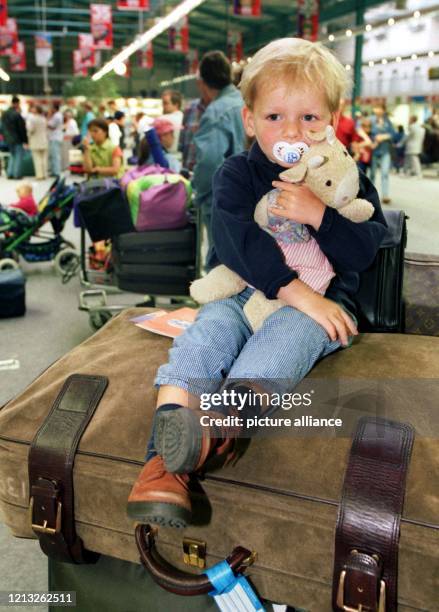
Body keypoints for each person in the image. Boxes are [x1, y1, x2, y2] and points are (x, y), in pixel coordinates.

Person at [126, 37, 387, 527]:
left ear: (332, 119)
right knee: (206, 337)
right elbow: (237, 244)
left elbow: (366, 247)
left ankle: (208, 434)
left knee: (279, 347)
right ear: (249, 120)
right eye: (274, 117)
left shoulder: (345, 177)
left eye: (309, 118)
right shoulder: (237, 174)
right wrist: (296, 291)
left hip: (321, 305)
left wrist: (320, 216)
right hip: (243, 291)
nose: (293, 130)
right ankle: (163, 461)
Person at [191, 50, 246, 258]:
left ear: (203, 82)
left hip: (223, 201)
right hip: (251, 197)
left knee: (222, 265)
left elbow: (209, 162)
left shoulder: (216, 112)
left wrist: (198, 191)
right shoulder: (246, 103)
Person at [370, 104, 396, 204]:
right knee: (372, 174)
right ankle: (370, 195)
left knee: (385, 173)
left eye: (380, 108)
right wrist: (375, 138)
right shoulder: (371, 120)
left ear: (384, 110)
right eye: (376, 108)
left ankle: (385, 195)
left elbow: (393, 134)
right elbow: (366, 131)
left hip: (385, 151)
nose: (377, 110)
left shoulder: (387, 121)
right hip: (374, 151)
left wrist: (384, 136)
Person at [1, 96, 28, 180]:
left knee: (12, 156)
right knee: (18, 156)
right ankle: (17, 174)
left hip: (8, 139)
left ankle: (10, 173)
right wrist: (25, 140)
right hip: (17, 139)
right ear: (17, 103)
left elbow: (1, 127)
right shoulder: (17, 114)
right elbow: (21, 129)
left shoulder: (4, 114)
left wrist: (5, 136)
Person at [26, 105, 48, 181]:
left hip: (35, 141)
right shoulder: (44, 119)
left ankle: (39, 175)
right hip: (44, 140)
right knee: (44, 159)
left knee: (37, 159)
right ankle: (45, 174)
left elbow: (31, 130)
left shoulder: (33, 119)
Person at [161, 89, 183, 154]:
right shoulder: (184, 118)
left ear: (176, 104)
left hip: (166, 157)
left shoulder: (163, 119)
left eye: (166, 103)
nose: (163, 106)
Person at [47, 102, 63, 177]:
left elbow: (51, 126)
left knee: (55, 155)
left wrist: (48, 117)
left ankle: (56, 172)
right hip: (55, 137)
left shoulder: (57, 116)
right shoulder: (57, 115)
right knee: (53, 155)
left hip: (55, 138)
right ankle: (54, 171)